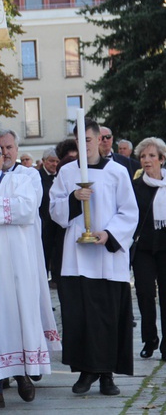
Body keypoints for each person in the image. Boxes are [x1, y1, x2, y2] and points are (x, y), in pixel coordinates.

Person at [49, 118, 137, 396]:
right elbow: (54, 211)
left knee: (107, 317)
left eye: (88, 140)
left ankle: (107, 374)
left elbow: (129, 211)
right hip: (77, 257)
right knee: (80, 317)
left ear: (99, 140)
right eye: (78, 140)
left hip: (107, 258)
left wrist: (109, 234)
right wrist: (74, 197)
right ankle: (86, 372)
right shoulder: (65, 172)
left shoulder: (117, 172)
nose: (83, 145)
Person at [0, 140, 61, 410]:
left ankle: (23, 373)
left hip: (17, 264)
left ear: (2, 158)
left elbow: (26, 209)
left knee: (19, 318)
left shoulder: (20, 180)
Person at [131, 137, 166, 359]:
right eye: (143, 156)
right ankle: (150, 339)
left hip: (165, 247)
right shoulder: (135, 186)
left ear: (162, 159)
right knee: (144, 294)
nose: (147, 160)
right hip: (143, 247)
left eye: (152, 156)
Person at [38, 146, 63, 285]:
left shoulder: (61, 176)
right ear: (44, 161)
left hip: (57, 226)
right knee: (43, 259)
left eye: (57, 161)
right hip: (43, 226)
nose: (54, 164)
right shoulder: (38, 177)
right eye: (51, 161)